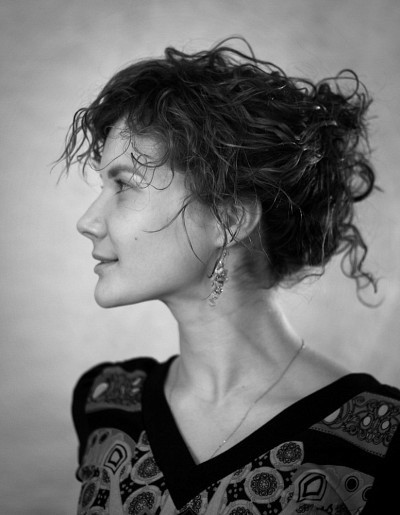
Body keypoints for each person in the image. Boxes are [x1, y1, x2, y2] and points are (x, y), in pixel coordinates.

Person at [59, 37, 400, 515]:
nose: (88, 221)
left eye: (124, 185)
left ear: (229, 219)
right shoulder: (105, 405)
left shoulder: (376, 438)